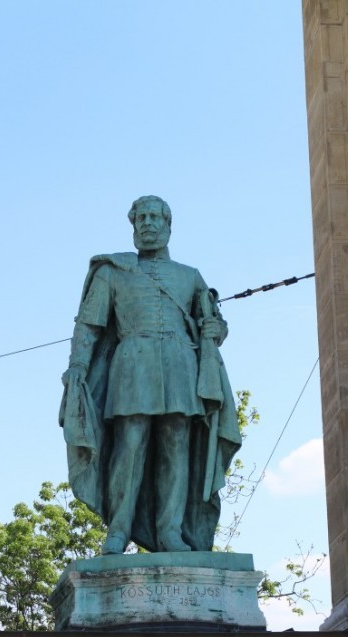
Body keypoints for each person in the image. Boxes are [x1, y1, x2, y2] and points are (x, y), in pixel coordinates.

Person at [60, 196, 242, 555]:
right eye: (140, 218)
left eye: (154, 217)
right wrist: (77, 368)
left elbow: (216, 325)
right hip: (132, 363)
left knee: (176, 446)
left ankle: (170, 531)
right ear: (132, 227)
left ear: (168, 225)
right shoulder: (113, 272)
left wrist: (214, 328)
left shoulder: (190, 276)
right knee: (129, 446)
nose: (147, 223)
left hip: (180, 365)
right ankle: (118, 529)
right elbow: (89, 326)